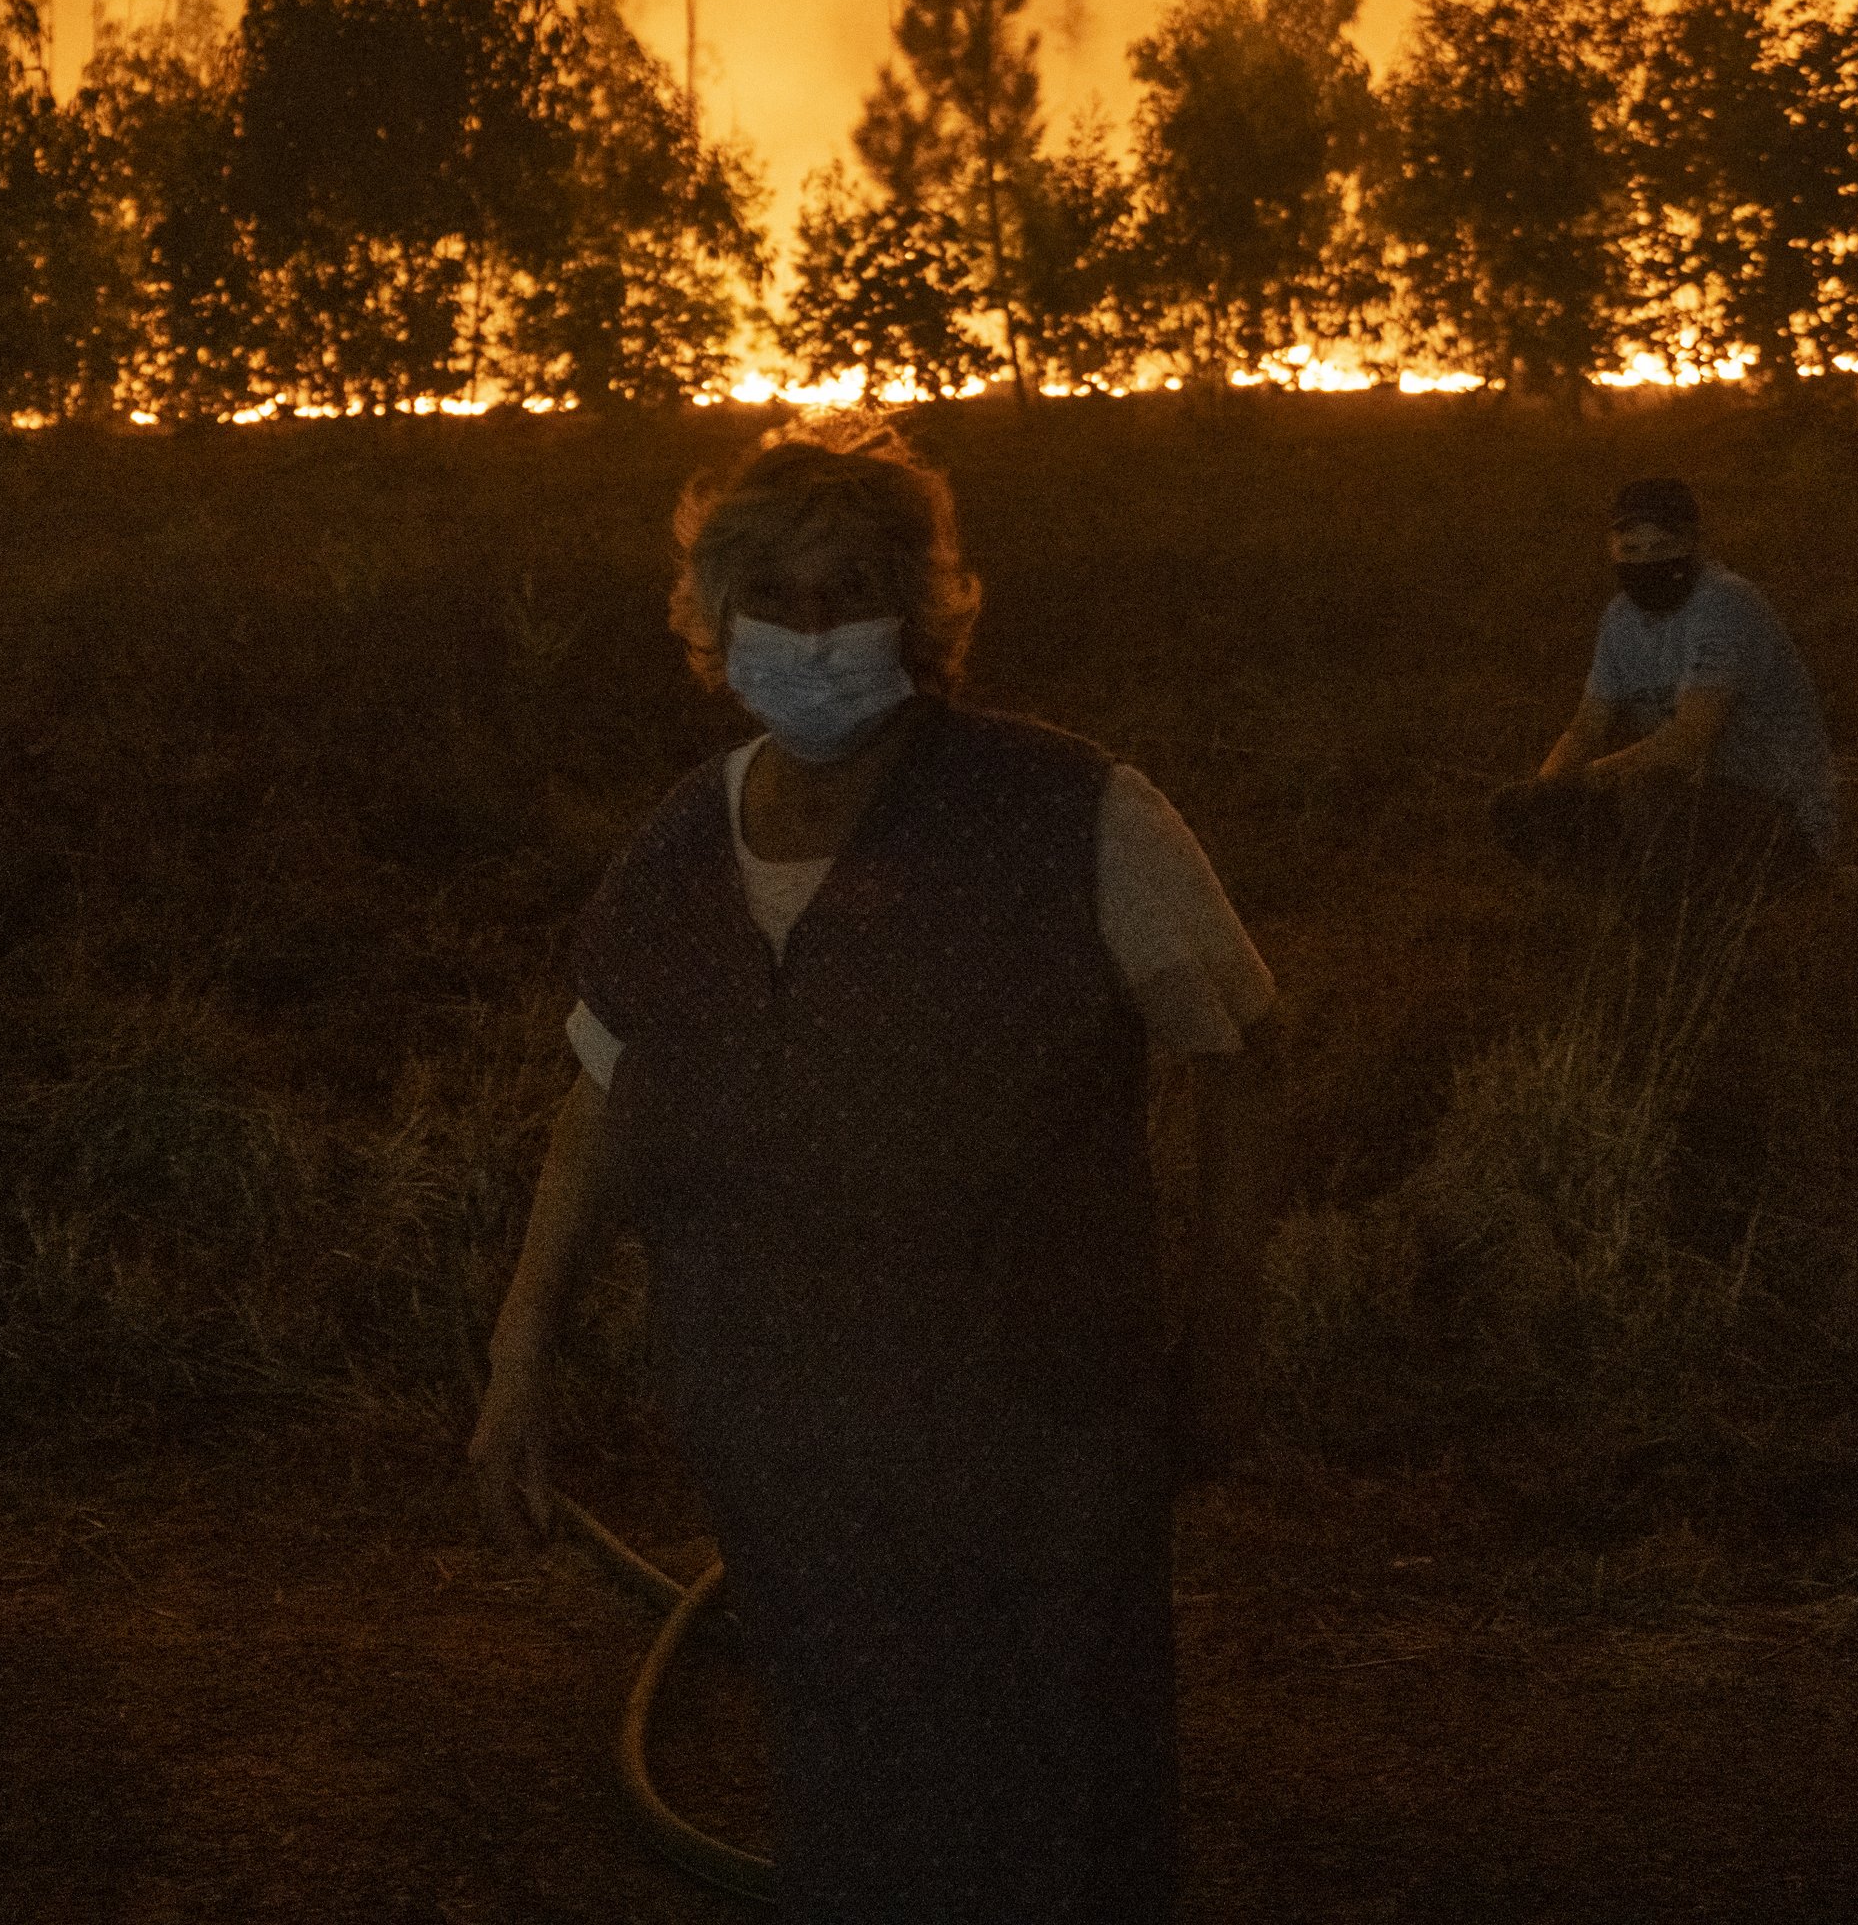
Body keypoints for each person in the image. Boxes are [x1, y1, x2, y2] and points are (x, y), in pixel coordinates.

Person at [471, 411, 1278, 1924]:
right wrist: (521, 1357)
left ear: (924, 608)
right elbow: (600, 1096)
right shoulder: (680, 848)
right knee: (849, 1776)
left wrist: (1223, 1336)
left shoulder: (1072, 810)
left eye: (851, 592)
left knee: (1061, 1793)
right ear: (716, 624)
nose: (814, 632)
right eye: (774, 597)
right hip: (780, 1435)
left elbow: (1237, 1048)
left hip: (1035, 1432)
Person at [1487, 475, 1835, 897]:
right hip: (1691, 804)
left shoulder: (1725, 605)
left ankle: (1682, 927)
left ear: (1691, 544)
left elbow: (1691, 737)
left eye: (1662, 547)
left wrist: (1592, 776)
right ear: (1611, 549)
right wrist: (1545, 794)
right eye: (1630, 550)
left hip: (1780, 816)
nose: (1646, 564)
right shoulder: (1620, 619)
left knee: (1649, 792)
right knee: (1515, 807)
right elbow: (1585, 727)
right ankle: (1621, 909)